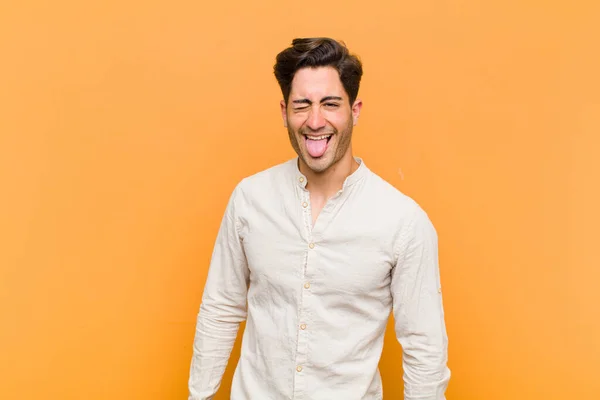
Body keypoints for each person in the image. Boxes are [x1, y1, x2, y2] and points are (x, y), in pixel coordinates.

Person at [188, 37, 450, 400]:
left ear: (354, 110)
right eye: (302, 105)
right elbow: (220, 307)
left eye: (330, 104)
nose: (315, 121)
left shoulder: (403, 221)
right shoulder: (249, 199)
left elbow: (424, 348)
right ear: (284, 112)